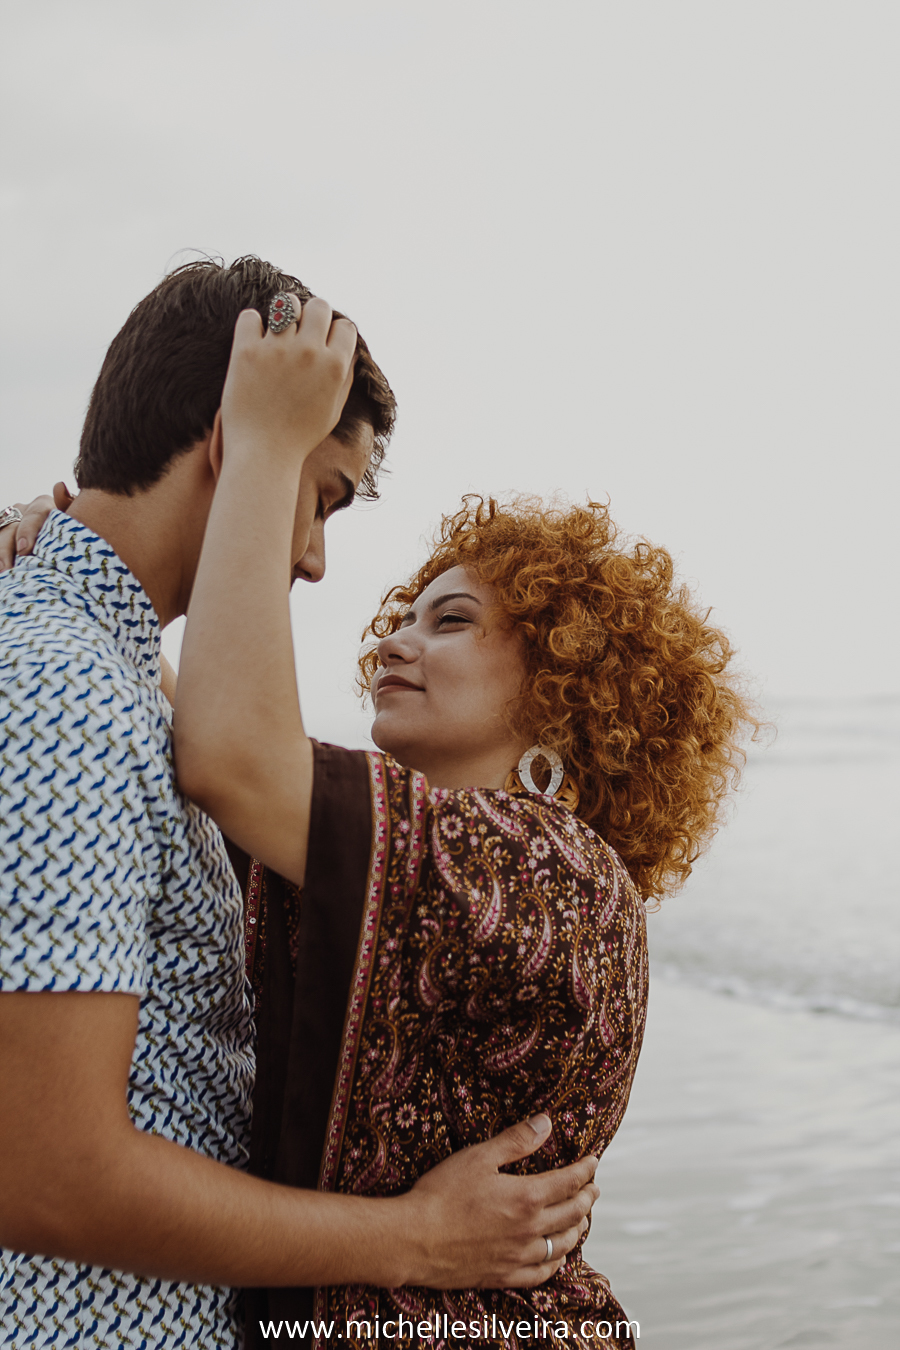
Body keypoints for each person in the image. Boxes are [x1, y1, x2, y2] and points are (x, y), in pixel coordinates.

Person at [0, 259, 598, 1350]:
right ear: (238, 443)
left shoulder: (98, 682)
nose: (318, 563)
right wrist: (413, 1239)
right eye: (320, 500)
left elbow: (214, 749)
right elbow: (47, 1172)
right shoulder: (65, 688)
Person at [171, 301, 759, 1347]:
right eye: (402, 615)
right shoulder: (405, 851)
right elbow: (198, 734)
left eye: (452, 621)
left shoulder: (551, 870)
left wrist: (265, 442)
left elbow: (226, 749)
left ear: (568, 685)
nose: (397, 639)